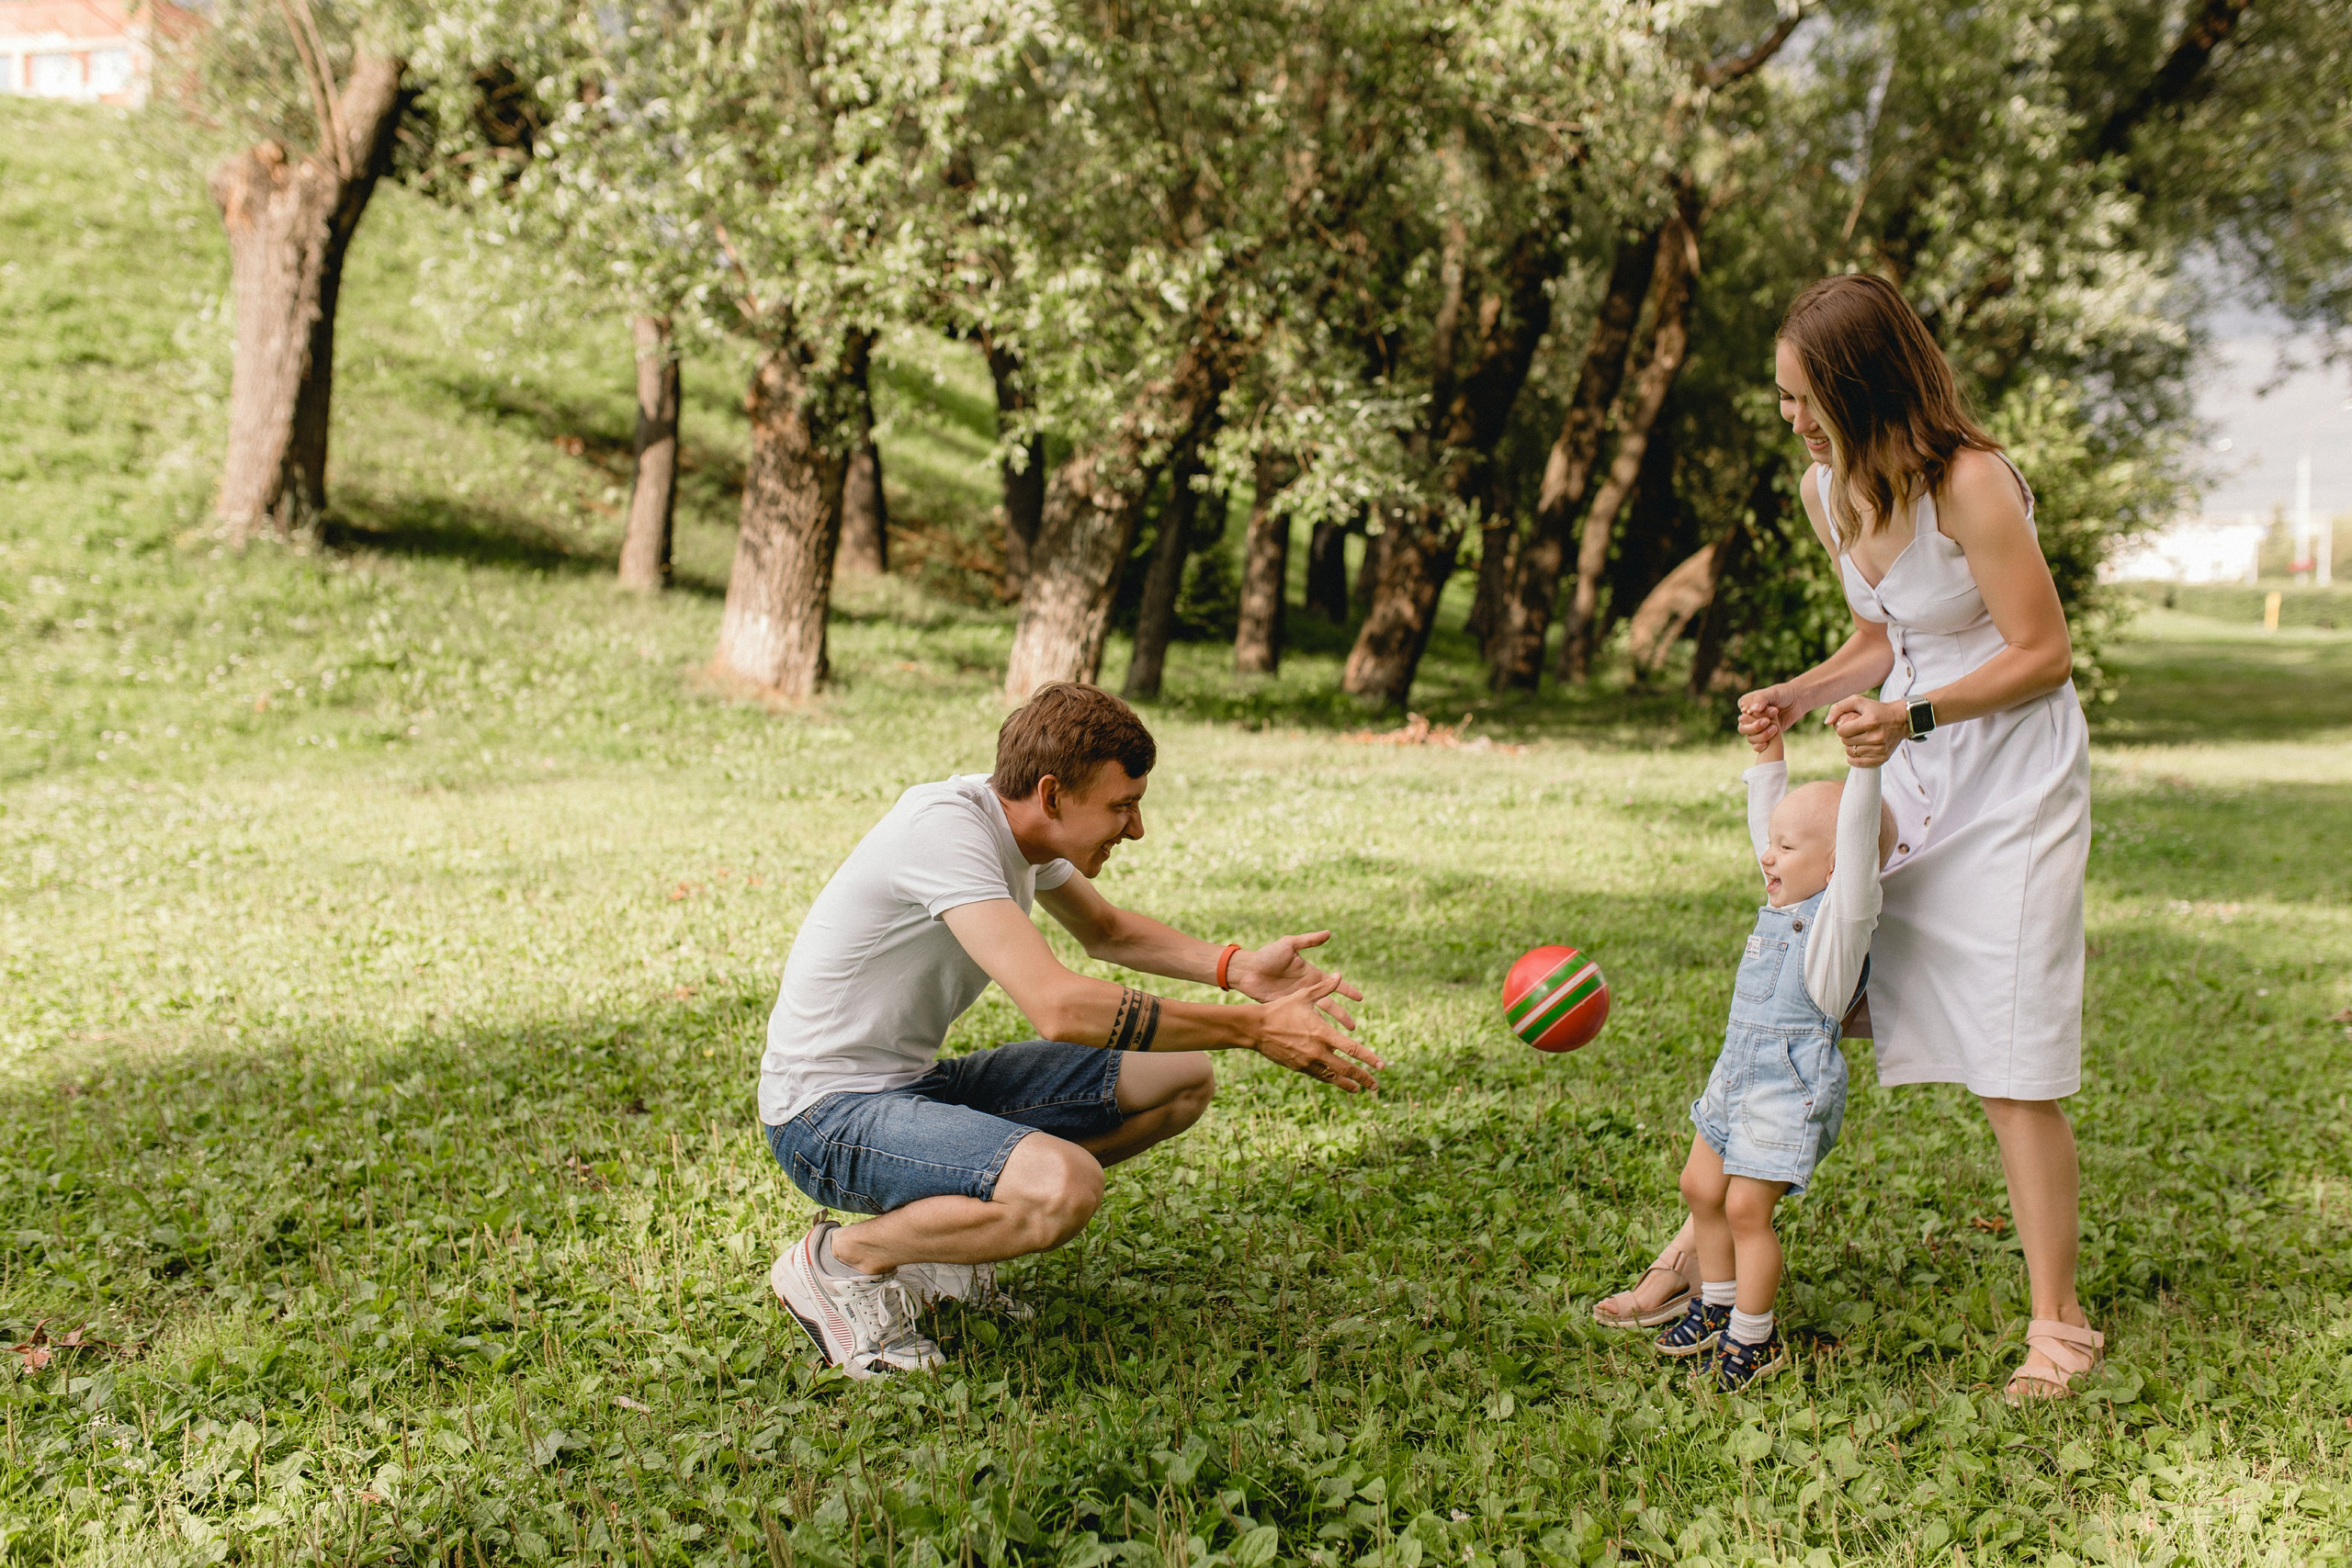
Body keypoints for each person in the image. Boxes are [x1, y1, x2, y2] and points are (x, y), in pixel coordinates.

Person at [1596, 274, 2102, 1402]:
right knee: (1799, 987)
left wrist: (1909, 715)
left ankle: (2057, 1325)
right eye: (1784, 402)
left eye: (1805, 398)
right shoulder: (1831, 489)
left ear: (1865, 385)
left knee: (2008, 1049)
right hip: (1904, 763)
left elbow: (2040, 651)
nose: (1794, 421)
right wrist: (1800, 688)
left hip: (2010, 776)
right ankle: (1704, 1255)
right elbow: (1883, 633)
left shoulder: (1971, 484)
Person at [760, 682, 1382, 1379]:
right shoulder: (943, 830)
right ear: (1052, 794)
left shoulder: (1018, 823)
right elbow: (1058, 1005)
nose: (1137, 828)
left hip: (913, 1089)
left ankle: (935, 1251)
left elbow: (1107, 930)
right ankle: (840, 1262)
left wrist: (1236, 969)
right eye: (1122, 806)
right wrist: (1251, 1028)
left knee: (1180, 1079)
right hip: (823, 1117)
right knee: (1063, 1185)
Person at [1653, 725, 1891, 1390]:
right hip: (1736, 1073)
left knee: (1745, 1211)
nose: (1768, 855)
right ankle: (1716, 1300)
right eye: (1772, 845)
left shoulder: (1840, 926)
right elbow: (1769, 819)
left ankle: (1751, 1338)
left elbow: (1857, 840)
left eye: (1787, 847)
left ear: (1839, 861)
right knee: (1699, 1187)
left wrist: (1863, 768)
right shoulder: (1779, 900)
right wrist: (1768, 752)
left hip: (1787, 1087)